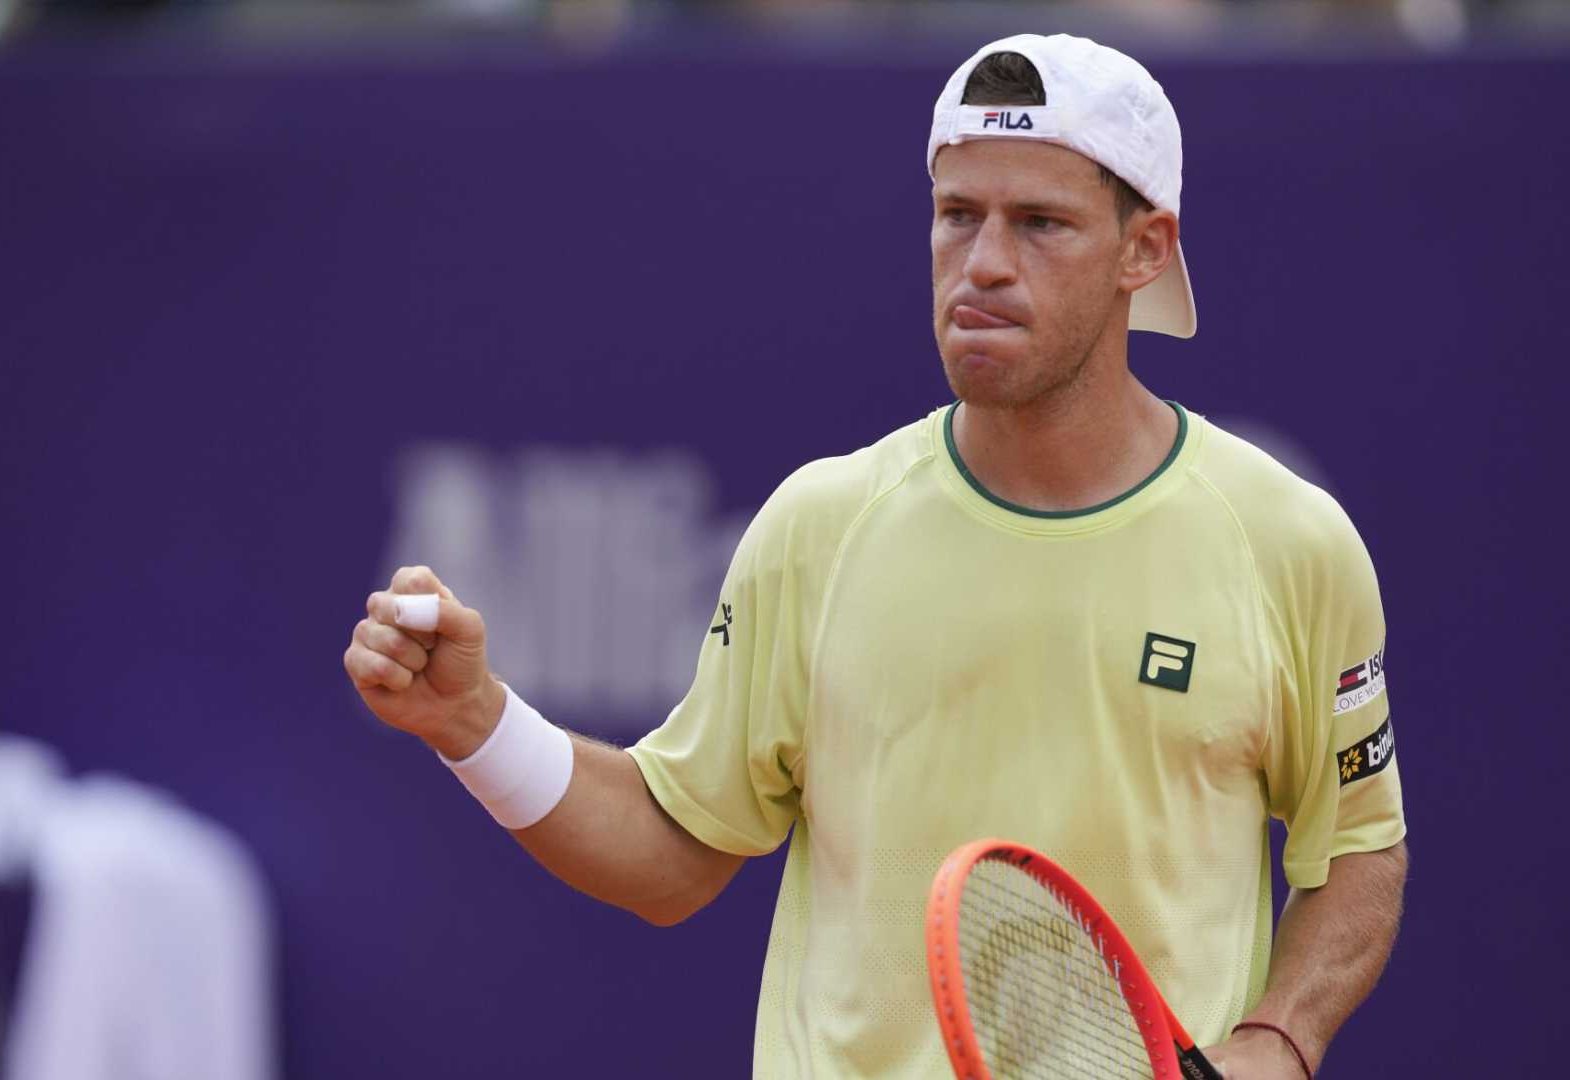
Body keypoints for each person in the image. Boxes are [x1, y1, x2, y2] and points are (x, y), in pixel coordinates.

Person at [343, 33, 1407, 1079]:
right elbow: (669, 857)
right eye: (956, 216)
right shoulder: (820, 524)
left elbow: (1357, 848)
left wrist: (1276, 1040)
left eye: (1040, 223)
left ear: (1144, 249)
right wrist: (473, 723)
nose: (983, 262)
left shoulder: (1286, 541)